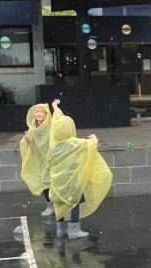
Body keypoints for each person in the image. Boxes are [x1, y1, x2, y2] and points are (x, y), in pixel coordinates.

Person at [47, 100, 113, 240]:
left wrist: (55, 108)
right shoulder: (76, 143)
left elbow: (49, 160)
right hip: (73, 182)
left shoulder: (54, 147)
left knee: (59, 204)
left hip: (57, 182)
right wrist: (94, 138)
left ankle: (60, 230)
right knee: (74, 202)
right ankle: (74, 229)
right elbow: (91, 145)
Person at [19, 101, 58, 217]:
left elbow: (59, 119)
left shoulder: (51, 125)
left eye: (42, 111)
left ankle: (59, 206)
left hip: (54, 159)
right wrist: (28, 141)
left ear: (46, 114)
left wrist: (55, 106)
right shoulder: (33, 129)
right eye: (37, 112)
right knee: (45, 184)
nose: (39, 114)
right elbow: (32, 150)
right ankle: (50, 207)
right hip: (42, 161)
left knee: (56, 183)